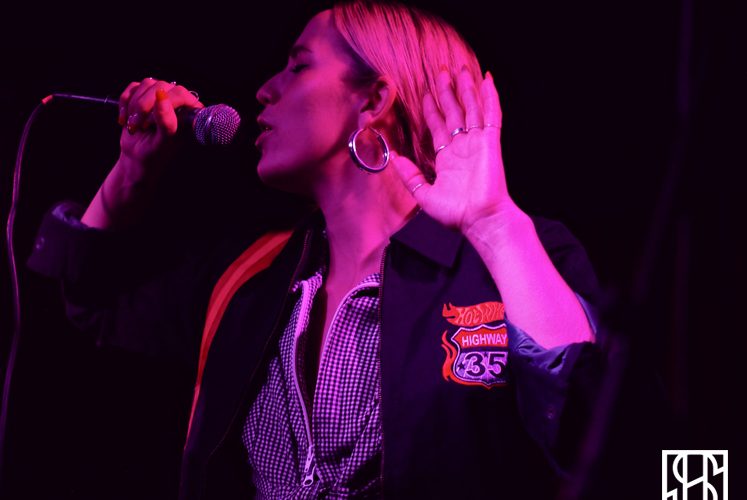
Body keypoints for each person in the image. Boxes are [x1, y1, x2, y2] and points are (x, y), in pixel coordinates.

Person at [27, 1, 603, 498]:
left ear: (374, 98)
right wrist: (133, 171)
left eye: (299, 65)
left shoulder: (503, 260)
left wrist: (496, 225)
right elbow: (96, 301)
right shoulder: (249, 279)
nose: (265, 90)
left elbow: (589, 423)